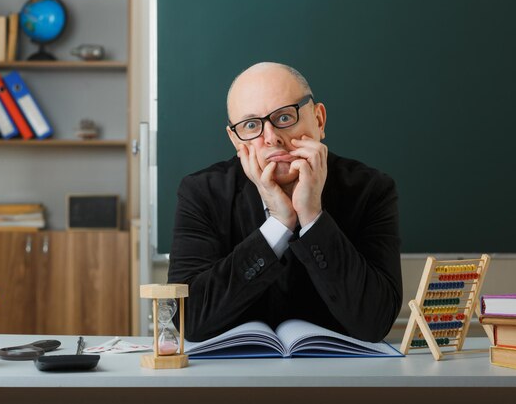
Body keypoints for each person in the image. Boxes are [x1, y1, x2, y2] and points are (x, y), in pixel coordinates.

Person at [168, 62, 402, 342]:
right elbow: (187, 319)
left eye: (284, 117)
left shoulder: (371, 189)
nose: (271, 138)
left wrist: (312, 216)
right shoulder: (201, 193)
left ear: (319, 119)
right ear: (235, 140)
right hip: (233, 378)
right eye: (251, 125)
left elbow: (375, 322)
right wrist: (278, 225)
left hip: (340, 378)